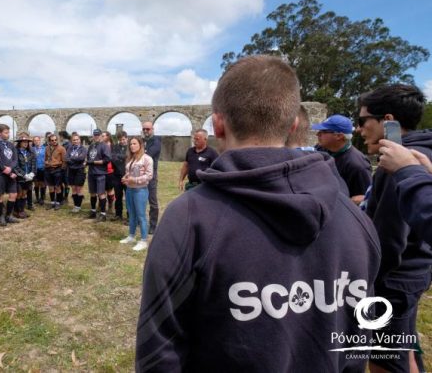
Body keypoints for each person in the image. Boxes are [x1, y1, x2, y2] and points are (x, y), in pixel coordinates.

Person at [136, 55, 381, 372]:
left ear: (218, 125)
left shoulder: (189, 218)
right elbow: (358, 341)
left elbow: (158, 353)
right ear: (294, 125)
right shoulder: (357, 221)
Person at [356, 84, 432, 372]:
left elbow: (388, 238)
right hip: (416, 271)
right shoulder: (423, 153)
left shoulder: (397, 165)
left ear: (388, 121)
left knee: (384, 359)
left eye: (364, 121)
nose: (360, 130)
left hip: (392, 280)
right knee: (405, 346)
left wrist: (369, 280)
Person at [378, 139, 432, 242]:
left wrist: (408, 171)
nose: (358, 129)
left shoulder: (396, 163)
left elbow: (391, 231)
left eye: (362, 122)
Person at [312, 114, 371, 204]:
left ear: (339, 136)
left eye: (322, 132)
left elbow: (364, 199)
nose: (317, 134)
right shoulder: (321, 149)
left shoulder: (357, 165)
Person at [119, 136, 153, 251]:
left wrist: (134, 180)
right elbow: (128, 173)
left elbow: (149, 176)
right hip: (129, 189)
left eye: (134, 144)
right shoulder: (130, 158)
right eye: (131, 144)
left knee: (141, 215)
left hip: (140, 190)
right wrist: (125, 177)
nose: (132, 146)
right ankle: (131, 236)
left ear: (140, 145)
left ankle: (144, 240)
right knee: (131, 213)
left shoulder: (147, 159)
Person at [0, 124, 20, 225]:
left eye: (8, 132)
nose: (8, 134)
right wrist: (5, 169)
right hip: (0, 174)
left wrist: (11, 169)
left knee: (13, 194)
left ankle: (8, 215)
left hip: (11, 173)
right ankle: (0, 216)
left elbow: (15, 159)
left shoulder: (11, 145)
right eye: (6, 132)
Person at [86, 129, 111, 222]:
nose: (96, 136)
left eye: (98, 135)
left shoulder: (104, 146)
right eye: (95, 135)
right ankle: (93, 212)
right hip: (91, 172)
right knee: (92, 193)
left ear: (101, 135)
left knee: (101, 193)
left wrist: (93, 162)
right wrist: (87, 163)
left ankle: (103, 214)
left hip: (100, 173)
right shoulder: (91, 145)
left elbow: (107, 160)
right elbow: (88, 157)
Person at [142, 121, 161, 234]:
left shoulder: (156, 141)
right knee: (140, 199)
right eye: (144, 129)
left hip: (150, 175)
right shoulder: (142, 140)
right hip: (139, 174)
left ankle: (153, 225)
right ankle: (141, 221)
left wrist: (140, 152)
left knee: (152, 201)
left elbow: (148, 155)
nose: (145, 131)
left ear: (152, 129)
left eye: (147, 129)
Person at [14, 132, 36, 218]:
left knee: (24, 193)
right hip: (20, 177)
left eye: (27, 142)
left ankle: (22, 210)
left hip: (29, 177)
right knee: (19, 194)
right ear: (20, 143)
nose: (26, 143)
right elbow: (15, 165)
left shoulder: (30, 152)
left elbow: (34, 163)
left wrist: (32, 173)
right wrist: (24, 175)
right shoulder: (16, 152)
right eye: (24, 142)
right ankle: (17, 211)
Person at [65, 133, 87, 213]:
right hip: (71, 170)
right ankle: (75, 206)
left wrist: (72, 159)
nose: (76, 141)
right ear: (72, 141)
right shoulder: (70, 148)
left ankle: (78, 206)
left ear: (80, 140)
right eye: (74, 140)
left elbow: (81, 158)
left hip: (80, 170)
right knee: (73, 188)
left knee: (79, 189)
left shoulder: (83, 149)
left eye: (77, 139)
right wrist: (75, 160)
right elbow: (66, 158)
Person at [44, 133, 67, 210]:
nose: (54, 141)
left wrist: (61, 170)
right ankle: (52, 202)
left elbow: (64, 161)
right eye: (52, 140)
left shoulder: (61, 148)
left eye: (55, 140)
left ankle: (58, 203)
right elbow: (46, 158)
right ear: (49, 141)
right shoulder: (47, 148)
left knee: (57, 187)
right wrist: (46, 162)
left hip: (57, 169)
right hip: (48, 169)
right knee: (50, 187)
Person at [111, 131, 128, 221]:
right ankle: (118, 214)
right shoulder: (115, 147)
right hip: (117, 175)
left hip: (127, 175)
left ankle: (130, 216)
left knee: (129, 197)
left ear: (126, 138)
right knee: (118, 196)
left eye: (123, 139)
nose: (122, 141)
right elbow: (113, 158)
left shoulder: (130, 147)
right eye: (120, 140)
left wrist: (120, 157)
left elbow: (129, 157)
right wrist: (123, 157)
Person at [32, 136, 47, 205]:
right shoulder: (32, 149)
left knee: (42, 184)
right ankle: (37, 198)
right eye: (35, 140)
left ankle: (42, 198)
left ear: (40, 140)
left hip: (43, 168)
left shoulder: (44, 148)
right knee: (36, 184)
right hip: (35, 169)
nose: (36, 141)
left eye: (37, 140)